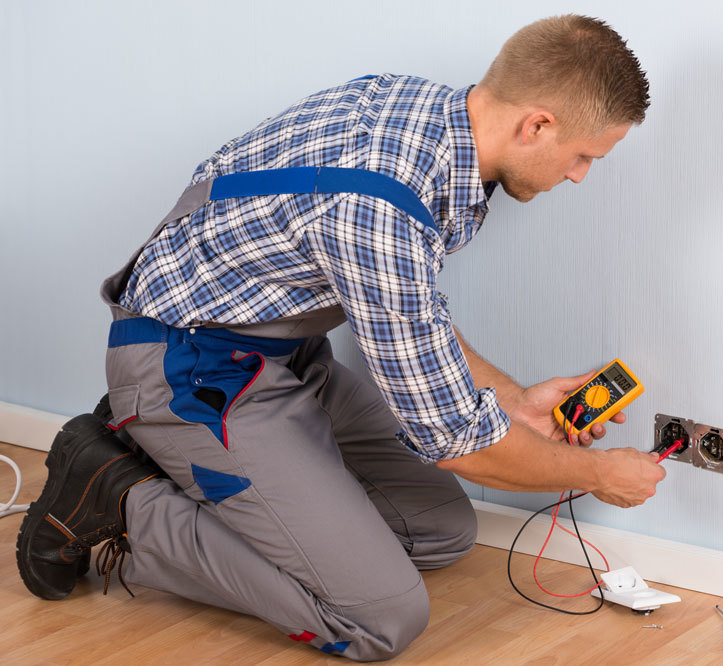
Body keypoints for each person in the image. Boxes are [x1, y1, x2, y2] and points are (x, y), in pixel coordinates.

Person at [17, 14, 666, 661]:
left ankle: (210, 486)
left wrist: (516, 401)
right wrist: (599, 475)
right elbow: (456, 444)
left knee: (439, 529)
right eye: (583, 156)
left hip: (284, 360)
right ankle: (117, 496)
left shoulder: (422, 114)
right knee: (379, 619)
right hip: (188, 373)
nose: (580, 175)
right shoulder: (381, 205)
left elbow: (413, 316)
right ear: (538, 125)